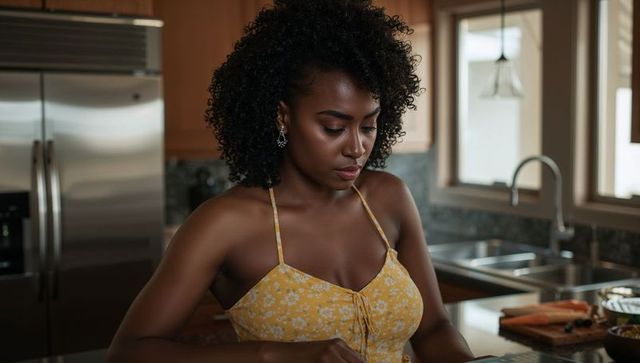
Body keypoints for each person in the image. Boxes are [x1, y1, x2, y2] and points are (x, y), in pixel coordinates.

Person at [107, 0, 476, 362]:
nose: (357, 147)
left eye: (368, 125)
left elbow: (434, 329)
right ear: (283, 117)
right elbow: (129, 352)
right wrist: (271, 354)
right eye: (334, 127)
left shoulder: (389, 198)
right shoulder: (225, 224)